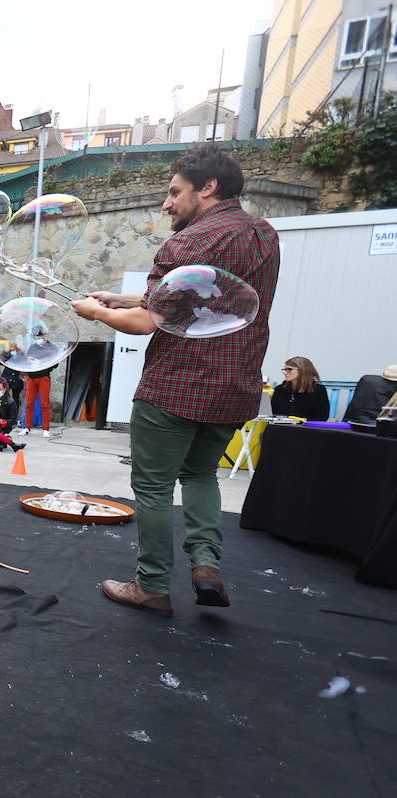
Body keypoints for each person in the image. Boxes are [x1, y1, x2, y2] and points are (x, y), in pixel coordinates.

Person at [72, 145, 280, 614]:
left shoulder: (187, 241)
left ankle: (152, 586)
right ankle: (205, 564)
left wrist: (95, 312)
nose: (167, 203)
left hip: (176, 384)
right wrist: (122, 297)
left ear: (207, 188)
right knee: (203, 473)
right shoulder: (264, 234)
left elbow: (149, 323)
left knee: (153, 487)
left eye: (174, 192)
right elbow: (201, 295)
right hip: (235, 384)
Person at [18, 367, 54, 438]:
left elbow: (54, 363)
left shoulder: (47, 355)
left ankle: (46, 429)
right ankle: (27, 427)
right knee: (29, 404)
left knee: (45, 404)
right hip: (31, 377)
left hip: (44, 377)